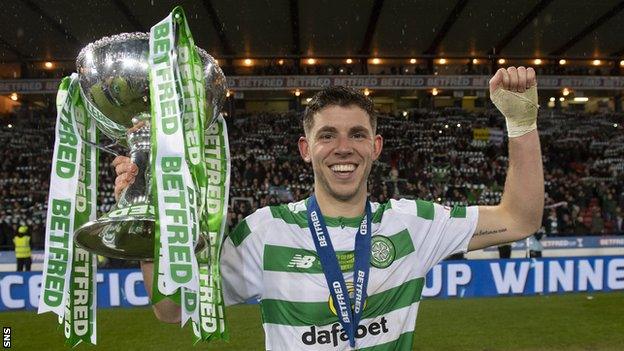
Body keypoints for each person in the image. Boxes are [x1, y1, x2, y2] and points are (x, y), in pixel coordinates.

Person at [113, 66, 543, 350]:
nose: (343, 148)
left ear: (375, 147)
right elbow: (171, 308)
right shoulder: (265, 232)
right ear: (306, 148)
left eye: (357, 134)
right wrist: (143, 213)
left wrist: (521, 125)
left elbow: (520, 218)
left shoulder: (413, 225)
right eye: (327, 135)